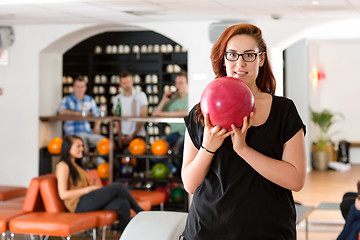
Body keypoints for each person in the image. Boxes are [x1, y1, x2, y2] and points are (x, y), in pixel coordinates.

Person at [180, 24, 306, 239]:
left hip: (269, 231)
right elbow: (190, 184)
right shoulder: (202, 110)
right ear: (224, 58)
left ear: (261, 59)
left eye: (249, 55)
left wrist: (243, 149)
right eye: (232, 55)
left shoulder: (283, 110)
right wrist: (208, 148)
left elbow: (296, 180)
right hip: (207, 230)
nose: (240, 63)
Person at [56, 135, 143, 232]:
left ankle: (125, 237)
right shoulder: (63, 166)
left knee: (123, 204)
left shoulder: (76, 165)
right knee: (118, 186)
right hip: (78, 204)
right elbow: (63, 195)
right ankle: (141, 213)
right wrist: (88, 189)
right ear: (68, 148)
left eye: (82, 146)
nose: (82, 149)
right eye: (78, 146)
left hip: (86, 199)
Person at [57, 76, 105, 164]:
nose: (80, 89)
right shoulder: (67, 100)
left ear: (85, 88)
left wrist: (97, 128)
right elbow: (61, 112)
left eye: (82, 86)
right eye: (77, 86)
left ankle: (99, 164)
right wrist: (80, 113)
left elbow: (98, 114)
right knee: (82, 142)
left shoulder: (89, 100)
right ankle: (85, 167)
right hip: (73, 134)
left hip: (88, 133)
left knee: (105, 142)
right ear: (73, 88)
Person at [152, 71, 188, 175]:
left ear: (187, 83)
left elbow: (186, 113)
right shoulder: (172, 100)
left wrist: (163, 114)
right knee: (155, 150)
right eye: (176, 83)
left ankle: (179, 176)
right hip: (174, 133)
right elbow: (155, 115)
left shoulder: (192, 97)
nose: (178, 86)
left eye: (181, 83)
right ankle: (173, 169)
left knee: (177, 152)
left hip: (186, 134)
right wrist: (164, 100)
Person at [112, 71, 148, 150]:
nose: (127, 85)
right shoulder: (117, 98)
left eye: (128, 82)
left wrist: (132, 135)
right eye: (124, 83)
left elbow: (143, 117)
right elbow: (116, 118)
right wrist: (120, 135)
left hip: (138, 135)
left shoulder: (141, 96)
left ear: (132, 81)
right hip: (122, 135)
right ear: (120, 83)